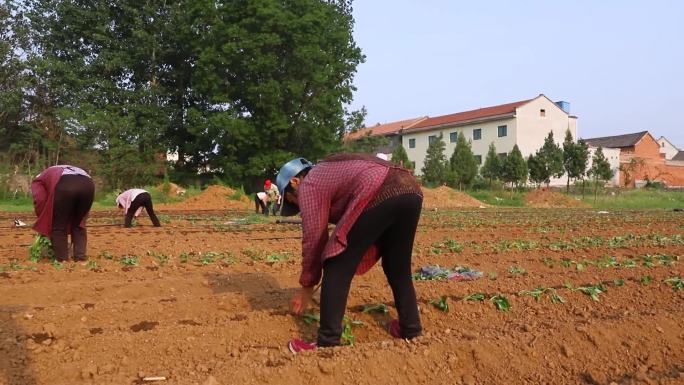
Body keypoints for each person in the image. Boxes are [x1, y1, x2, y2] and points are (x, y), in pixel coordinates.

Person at [276, 153, 423, 353]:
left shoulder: (309, 184)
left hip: (379, 187)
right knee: (397, 267)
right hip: (409, 187)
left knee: (336, 262)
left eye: (293, 199)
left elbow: (314, 237)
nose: (297, 205)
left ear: (295, 181)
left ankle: (327, 342)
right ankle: (410, 329)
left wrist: (307, 286)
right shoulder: (327, 171)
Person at [31, 165, 95, 262]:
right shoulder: (61, 169)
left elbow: (39, 200)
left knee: (58, 226)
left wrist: (44, 219)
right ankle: (80, 258)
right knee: (78, 225)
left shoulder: (38, 180)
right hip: (88, 185)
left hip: (65, 185)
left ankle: (63, 261)